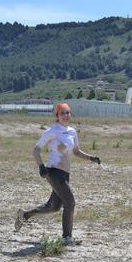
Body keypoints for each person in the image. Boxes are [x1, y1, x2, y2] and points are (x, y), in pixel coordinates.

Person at [14, 103, 101, 245]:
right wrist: (41, 166)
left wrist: (91, 157)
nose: (66, 115)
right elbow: (36, 150)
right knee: (70, 202)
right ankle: (67, 238)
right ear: (57, 116)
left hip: (65, 173)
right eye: (62, 113)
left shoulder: (72, 131)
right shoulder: (52, 131)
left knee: (54, 207)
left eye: (68, 112)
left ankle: (25, 215)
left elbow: (76, 152)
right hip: (53, 172)